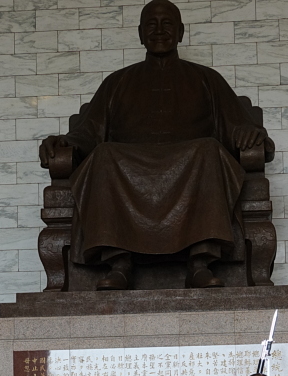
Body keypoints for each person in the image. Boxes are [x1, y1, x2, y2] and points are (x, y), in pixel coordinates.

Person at [38, 0, 272, 290]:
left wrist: (253, 135)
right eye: (151, 24)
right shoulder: (117, 83)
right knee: (104, 155)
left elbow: (239, 126)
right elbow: (89, 133)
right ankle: (119, 262)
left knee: (209, 150)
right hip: (127, 166)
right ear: (139, 34)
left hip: (192, 163)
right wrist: (63, 142)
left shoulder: (206, 79)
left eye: (167, 24)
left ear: (181, 32)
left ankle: (199, 262)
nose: (159, 31)